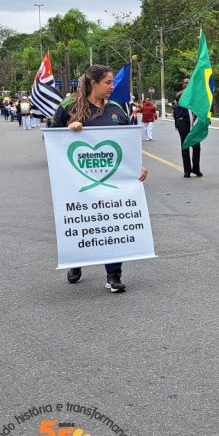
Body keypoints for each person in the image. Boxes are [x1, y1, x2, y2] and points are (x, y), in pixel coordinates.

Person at [52, 64, 148, 292]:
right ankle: (77, 261)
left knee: (112, 225)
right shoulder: (69, 107)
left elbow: (127, 146)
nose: (112, 87)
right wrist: (68, 130)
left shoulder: (116, 109)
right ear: (93, 83)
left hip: (112, 182)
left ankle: (113, 275)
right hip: (78, 181)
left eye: (113, 82)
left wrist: (138, 168)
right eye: (108, 82)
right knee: (83, 224)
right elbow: (52, 140)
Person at [174, 78, 202, 178]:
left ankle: (196, 169)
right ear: (183, 85)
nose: (188, 84)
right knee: (185, 145)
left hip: (194, 122)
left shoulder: (195, 94)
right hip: (183, 122)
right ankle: (187, 170)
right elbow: (177, 97)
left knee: (196, 146)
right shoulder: (181, 94)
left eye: (190, 83)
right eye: (186, 83)